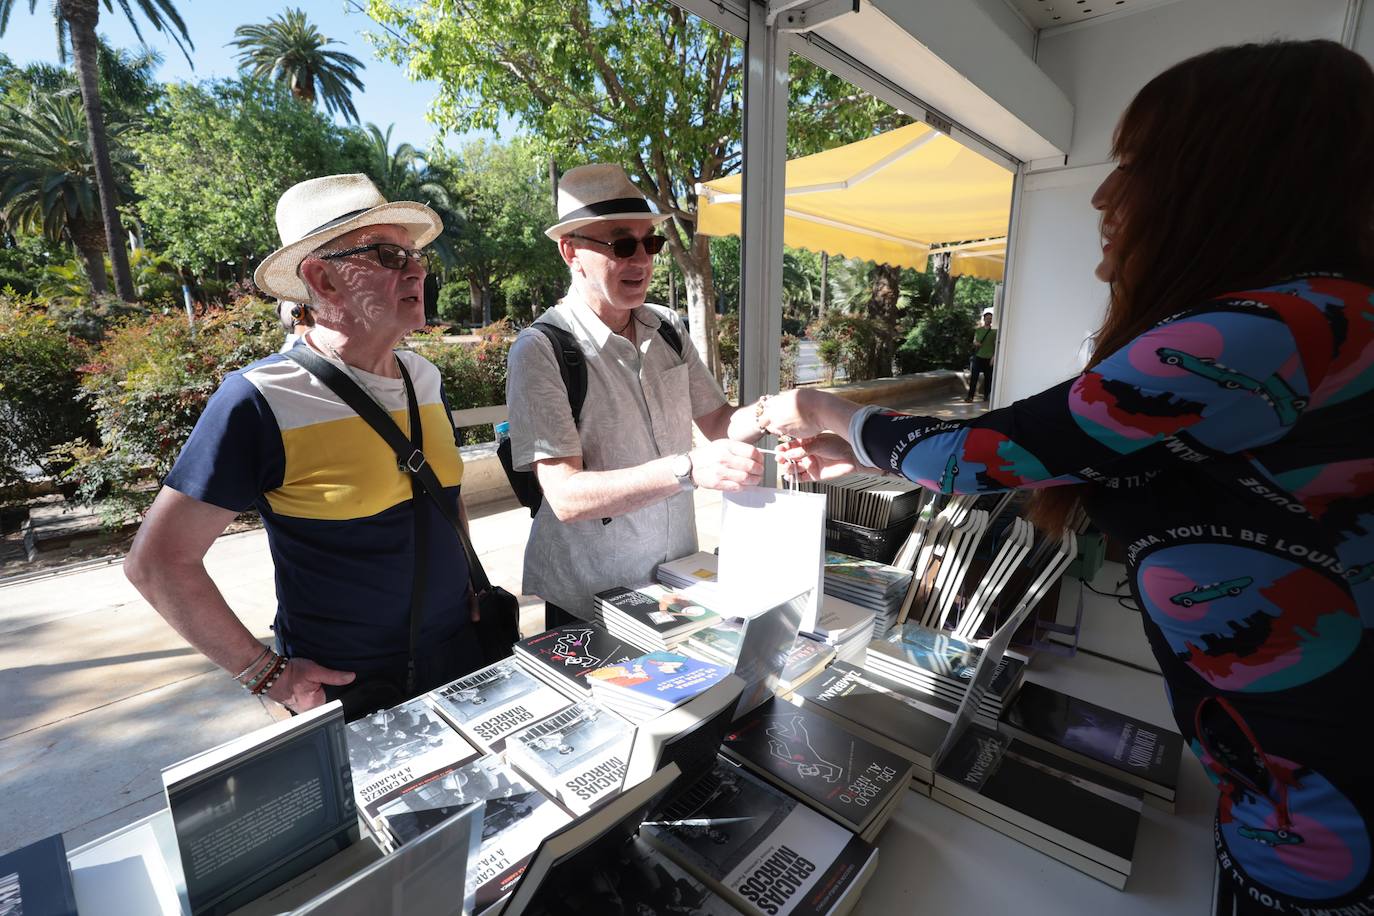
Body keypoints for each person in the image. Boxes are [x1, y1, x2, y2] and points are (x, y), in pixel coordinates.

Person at [757, 40, 1374, 914]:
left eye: (1134, 166)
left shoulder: (1264, 335)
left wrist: (823, 410)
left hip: (1322, 839)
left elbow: (983, 455)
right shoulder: (1333, 321)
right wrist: (857, 447)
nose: (1103, 196)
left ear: (1224, 181)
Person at [125, 174, 485, 714]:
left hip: (463, 658)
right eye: (389, 255)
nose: (417, 270)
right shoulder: (258, 399)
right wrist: (264, 672)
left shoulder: (426, 379)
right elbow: (157, 562)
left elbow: (444, 492)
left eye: (415, 256)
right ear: (322, 278)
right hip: (349, 689)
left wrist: (471, 577)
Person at [506, 163, 765, 626]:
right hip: (591, 598)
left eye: (651, 242)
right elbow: (565, 496)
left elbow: (719, 422)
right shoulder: (542, 349)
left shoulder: (667, 327)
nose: (642, 260)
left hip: (677, 580)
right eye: (623, 245)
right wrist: (688, 468)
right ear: (571, 251)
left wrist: (776, 414)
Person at [965, 308, 995, 401]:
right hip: (978, 356)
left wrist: (993, 358)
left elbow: (997, 345)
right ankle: (970, 397)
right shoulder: (978, 330)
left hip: (989, 358)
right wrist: (976, 343)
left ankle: (986, 396)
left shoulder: (995, 332)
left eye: (990, 318)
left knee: (988, 378)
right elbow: (974, 340)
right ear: (984, 319)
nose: (988, 320)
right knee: (974, 377)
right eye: (987, 318)